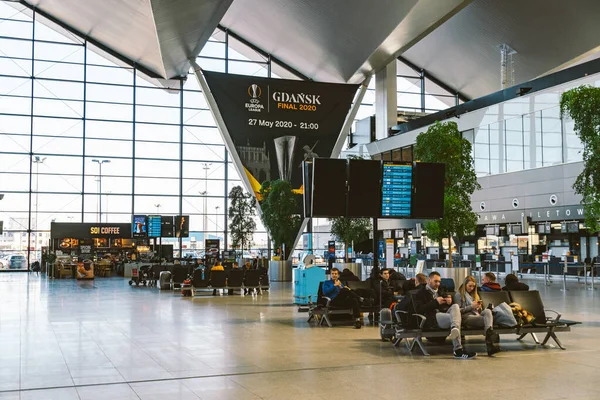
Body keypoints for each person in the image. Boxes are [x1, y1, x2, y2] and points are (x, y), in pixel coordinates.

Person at [412, 271, 477, 359]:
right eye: (436, 281)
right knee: (455, 319)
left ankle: (454, 329)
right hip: (432, 318)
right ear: (429, 280)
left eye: (439, 281)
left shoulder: (441, 290)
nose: (438, 284)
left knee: (455, 306)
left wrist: (449, 302)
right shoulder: (420, 293)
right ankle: (458, 349)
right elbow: (419, 309)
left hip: (445, 315)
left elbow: (449, 307)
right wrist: (435, 302)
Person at [454, 276, 500, 356]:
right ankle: (489, 344)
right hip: (467, 317)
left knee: (488, 311)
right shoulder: (459, 295)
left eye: (473, 286)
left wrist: (478, 307)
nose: (471, 288)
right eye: (470, 286)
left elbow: (479, 311)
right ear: (465, 285)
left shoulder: (474, 295)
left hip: (476, 314)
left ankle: (489, 336)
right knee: (488, 321)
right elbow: (458, 311)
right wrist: (471, 307)